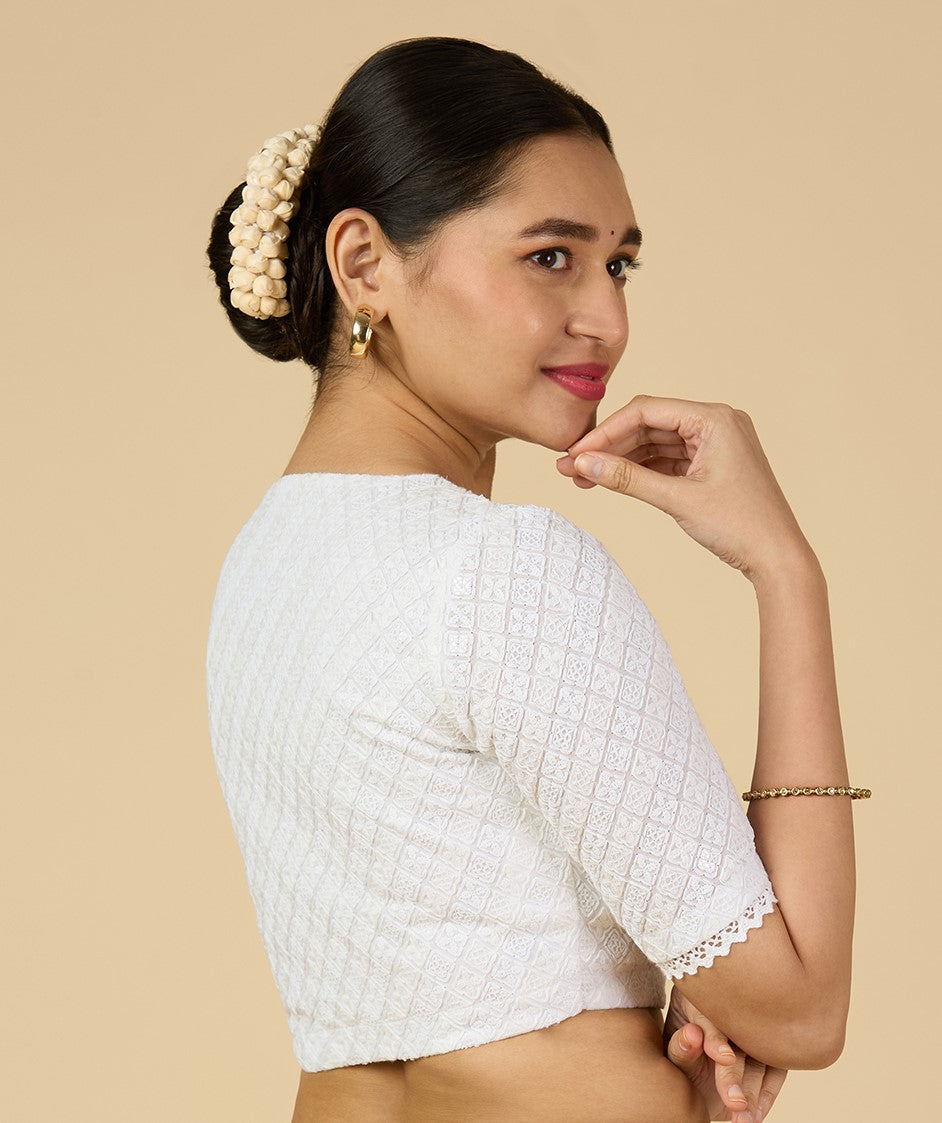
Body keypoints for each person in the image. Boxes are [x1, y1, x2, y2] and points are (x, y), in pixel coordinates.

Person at [204, 36, 866, 1123]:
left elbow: (473, 970)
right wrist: (787, 571)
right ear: (364, 264)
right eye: (550, 256)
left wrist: (686, 1032)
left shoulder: (261, 567)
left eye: (619, 265)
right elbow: (799, 1010)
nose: (607, 317)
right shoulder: (505, 568)